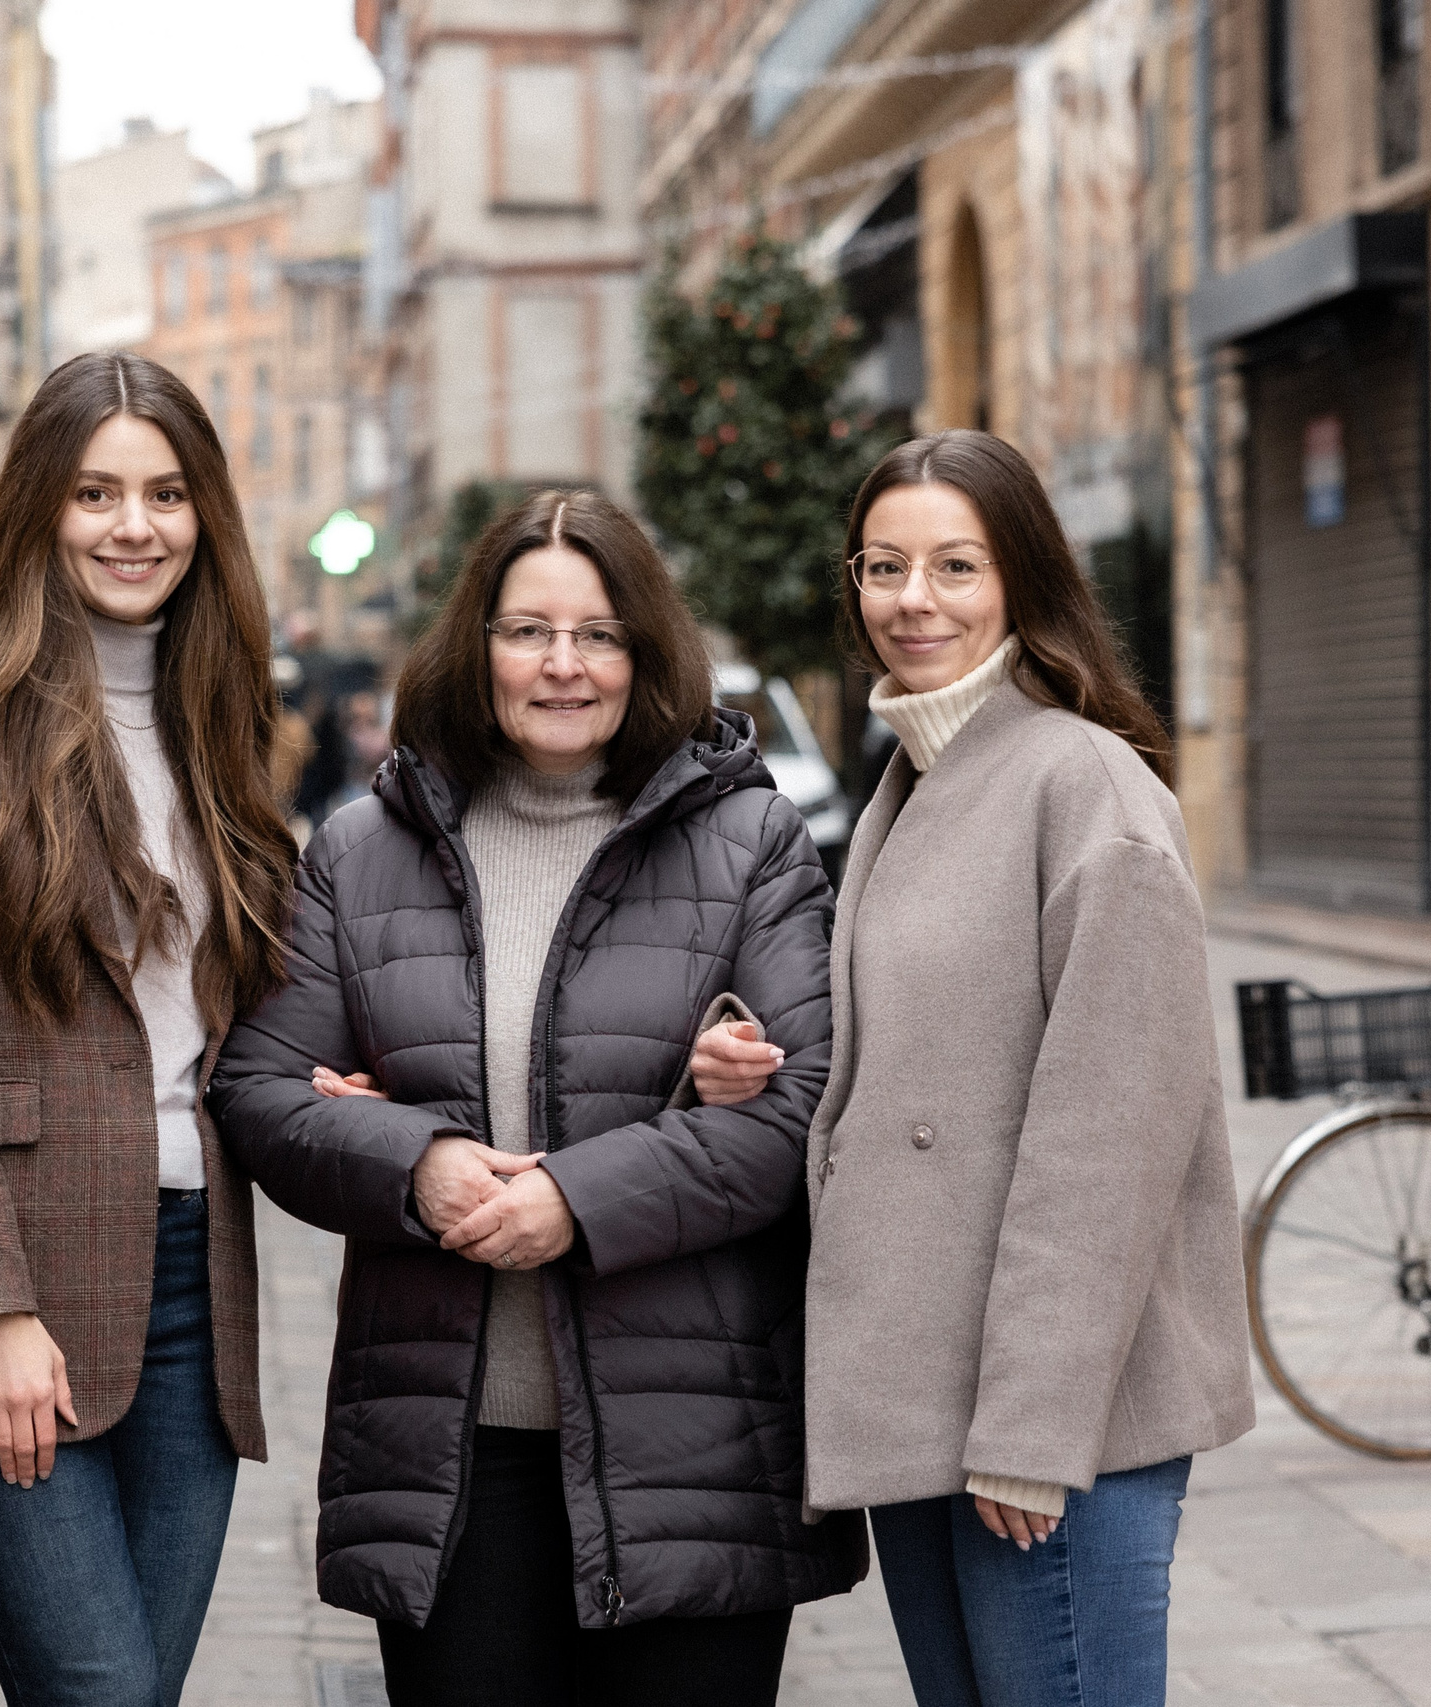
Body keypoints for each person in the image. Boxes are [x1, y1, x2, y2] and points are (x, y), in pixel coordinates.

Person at [208, 489, 865, 1707]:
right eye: (527, 631)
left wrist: (573, 1197)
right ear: (477, 647)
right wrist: (418, 1165)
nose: (563, 664)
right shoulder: (361, 853)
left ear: (645, 651)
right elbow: (256, 1087)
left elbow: (800, 1111)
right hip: (448, 1457)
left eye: (599, 634)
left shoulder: (752, 843)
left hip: (694, 1450)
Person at [722, 430, 1254, 1707]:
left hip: (1049, 1424)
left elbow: (1110, 1141)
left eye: (955, 565)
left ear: (1022, 578)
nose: (915, 600)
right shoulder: (919, 773)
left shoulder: (1084, 785)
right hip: (925, 1389)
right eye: (884, 565)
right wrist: (768, 1068)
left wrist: (1030, 1433)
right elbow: (941, 1061)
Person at [0, 351, 298, 1707]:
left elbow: (244, 1013)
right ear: (38, 507)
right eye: (94, 490)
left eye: (164, 491)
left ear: (206, 513)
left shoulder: (228, 732)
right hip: (8, 1286)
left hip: (190, 1300)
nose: (132, 523)